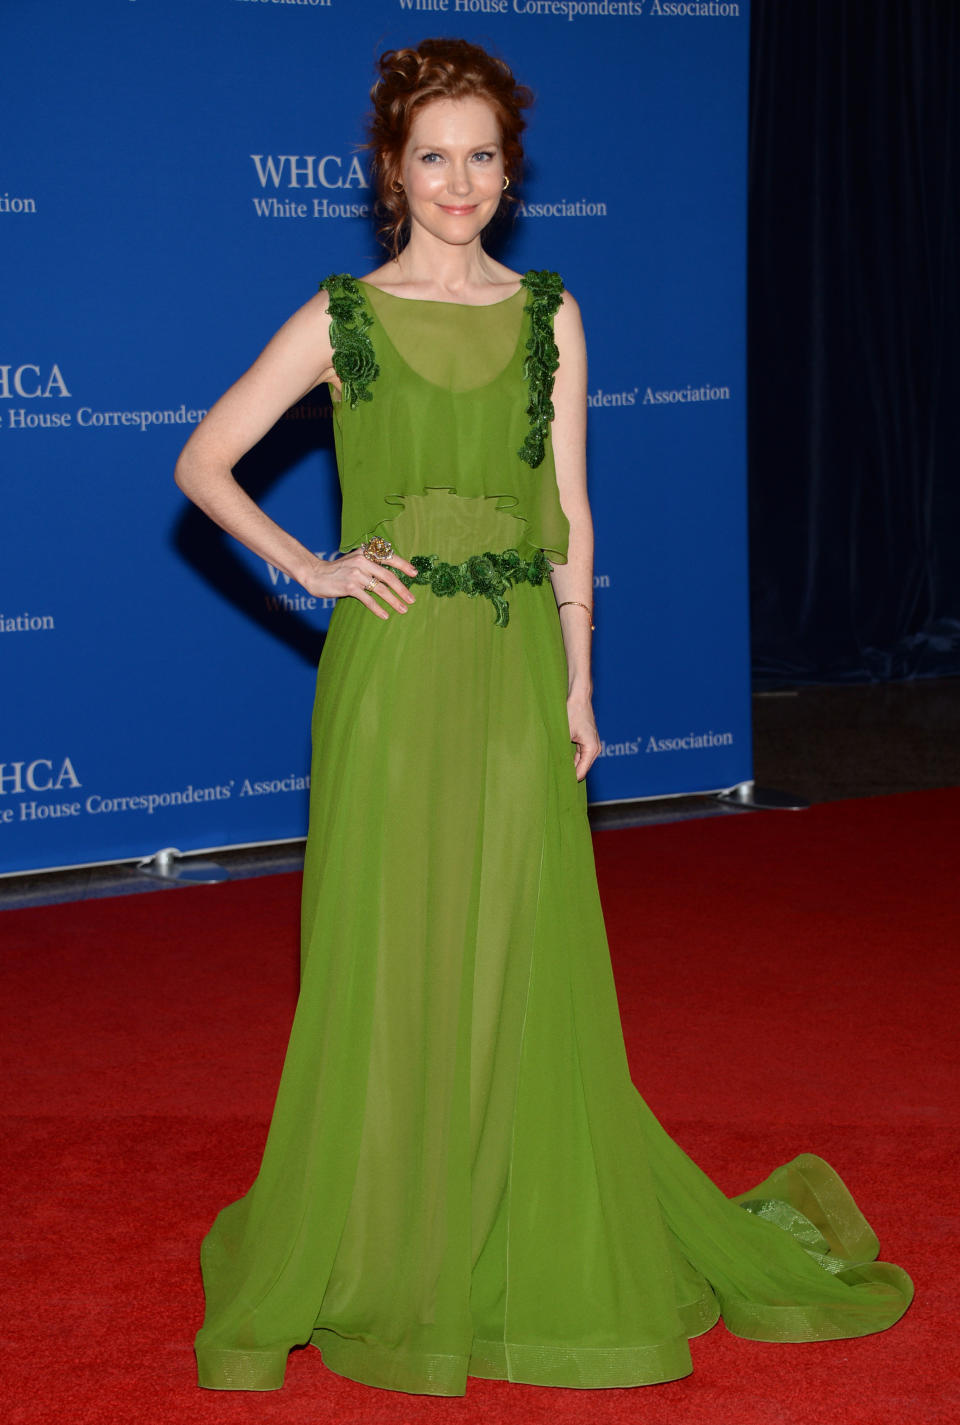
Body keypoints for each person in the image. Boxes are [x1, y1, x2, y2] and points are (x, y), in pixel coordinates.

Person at [175, 37, 912, 1398]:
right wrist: (317, 567)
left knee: (520, 961)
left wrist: (579, 682)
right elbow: (203, 460)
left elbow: (569, 517)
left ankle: (514, 1222)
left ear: (510, 174)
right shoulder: (342, 316)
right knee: (388, 964)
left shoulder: (548, 315)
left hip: (517, 667)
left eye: (483, 155)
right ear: (392, 171)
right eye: (433, 155)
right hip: (389, 682)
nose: (460, 180)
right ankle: (389, 1243)